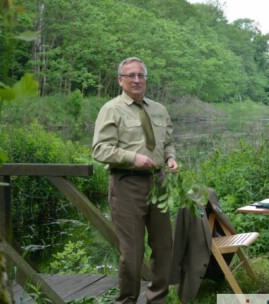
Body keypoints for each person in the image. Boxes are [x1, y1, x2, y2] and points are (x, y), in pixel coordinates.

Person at [92, 57, 179, 303]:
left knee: (163, 248)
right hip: (126, 184)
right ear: (120, 80)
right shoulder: (111, 109)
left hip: (159, 183)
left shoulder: (159, 109)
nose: (137, 80)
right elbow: (99, 149)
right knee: (132, 253)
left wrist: (171, 159)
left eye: (141, 75)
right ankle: (127, 300)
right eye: (131, 75)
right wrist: (133, 158)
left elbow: (168, 142)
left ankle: (157, 298)